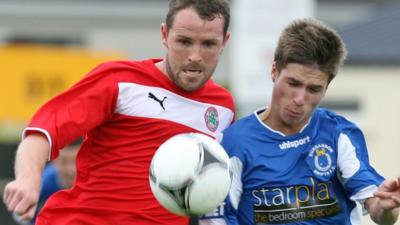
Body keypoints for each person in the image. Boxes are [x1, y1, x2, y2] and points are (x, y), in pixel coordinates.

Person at [2, 0, 235, 224]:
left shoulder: (222, 108)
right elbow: (42, 132)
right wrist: (28, 181)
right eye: (184, 41)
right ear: (164, 35)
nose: (195, 55)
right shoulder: (120, 81)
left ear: (224, 41)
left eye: (208, 44)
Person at [200, 19, 400, 225]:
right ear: (274, 71)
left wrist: (386, 207)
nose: (299, 98)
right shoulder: (235, 143)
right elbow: (218, 219)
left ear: (326, 88)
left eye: (313, 89)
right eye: (293, 83)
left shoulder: (337, 132)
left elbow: (379, 211)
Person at [13, 140, 79, 225]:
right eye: (64, 161)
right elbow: (19, 216)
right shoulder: (40, 182)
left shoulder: (95, 181)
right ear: (54, 160)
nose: (71, 170)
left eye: (75, 161)